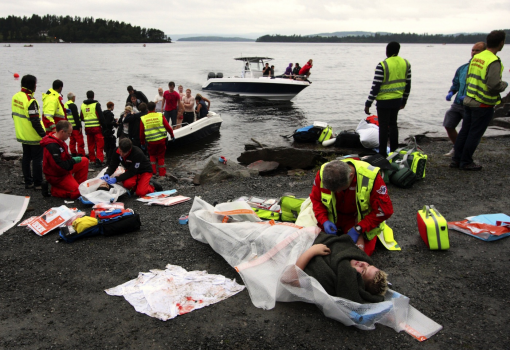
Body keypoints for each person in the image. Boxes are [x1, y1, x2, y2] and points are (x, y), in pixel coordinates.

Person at [309, 160, 394, 256]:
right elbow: (316, 200)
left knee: (360, 255)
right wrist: (324, 220)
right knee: (311, 245)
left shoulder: (371, 178)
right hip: (331, 215)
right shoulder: (324, 174)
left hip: (357, 218)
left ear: (350, 176)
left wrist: (359, 228)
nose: (337, 192)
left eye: (340, 189)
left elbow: (384, 211)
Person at [452, 30, 508, 171]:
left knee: (465, 131)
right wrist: (505, 85)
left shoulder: (477, 57)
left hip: (469, 100)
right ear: (501, 43)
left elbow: (469, 77)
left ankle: (456, 160)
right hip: (483, 103)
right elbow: (493, 84)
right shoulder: (493, 60)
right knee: (474, 134)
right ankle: (466, 161)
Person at [292, 233, 388, 302]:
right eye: (369, 265)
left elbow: (290, 279)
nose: (363, 264)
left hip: (289, 248)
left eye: (363, 271)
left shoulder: (328, 280)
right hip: (300, 233)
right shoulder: (353, 255)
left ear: (356, 281)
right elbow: (360, 246)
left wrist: (312, 251)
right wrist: (359, 230)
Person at [364, 42, 411, 157]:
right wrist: (404, 100)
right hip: (397, 99)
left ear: (387, 51)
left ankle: (382, 153)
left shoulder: (383, 65)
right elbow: (408, 83)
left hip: (383, 102)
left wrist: (368, 103)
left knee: (383, 127)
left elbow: (376, 86)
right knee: (393, 125)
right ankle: (394, 151)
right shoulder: (406, 63)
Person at [443, 42, 487, 157]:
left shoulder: (484, 68)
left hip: (472, 104)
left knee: (467, 130)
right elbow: (456, 83)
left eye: (477, 50)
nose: (474, 52)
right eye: (473, 50)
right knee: (449, 124)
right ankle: (457, 147)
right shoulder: (463, 68)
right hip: (458, 103)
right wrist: (451, 92)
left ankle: (464, 153)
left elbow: (484, 87)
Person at [12, 74, 46, 190]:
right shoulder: (30, 100)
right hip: (33, 136)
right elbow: (35, 120)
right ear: (32, 86)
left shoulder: (16, 97)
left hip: (22, 134)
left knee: (26, 158)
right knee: (37, 159)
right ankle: (37, 183)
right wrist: (44, 135)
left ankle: (28, 182)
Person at [40, 121, 89, 199]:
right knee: (76, 193)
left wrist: (72, 160)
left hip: (64, 170)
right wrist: (73, 161)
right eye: (69, 133)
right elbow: (59, 167)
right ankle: (55, 191)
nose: (69, 136)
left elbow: (63, 159)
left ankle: (79, 186)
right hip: (57, 175)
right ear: (62, 132)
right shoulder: (52, 146)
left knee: (84, 160)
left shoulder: (59, 141)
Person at [140, 102, 175, 177]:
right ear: (154, 108)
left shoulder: (143, 118)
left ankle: (153, 172)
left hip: (151, 142)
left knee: (152, 156)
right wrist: (172, 135)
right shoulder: (160, 115)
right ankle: (162, 173)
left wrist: (142, 143)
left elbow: (141, 133)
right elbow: (168, 127)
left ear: (147, 108)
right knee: (161, 156)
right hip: (161, 140)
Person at [80, 90, 106, 167]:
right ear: (93, 96)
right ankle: (99, 159)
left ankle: (92, 159)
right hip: (96, 127)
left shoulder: (82, 105)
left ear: (87, 96)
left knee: (90, 144)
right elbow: (101, 116)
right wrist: (104, 126)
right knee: (99, 144)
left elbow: (81, 117)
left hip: (88, 128)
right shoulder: (96, 104)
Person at [64, 92, 86, 157]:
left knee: (72, 140)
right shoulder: (72, 105)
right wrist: (79, 126)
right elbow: (76, 116)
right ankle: (80, 154)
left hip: (69, 126)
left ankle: (73, 153)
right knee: (80, 141)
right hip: (75, 126)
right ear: (73, 98)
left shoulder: (65, 105)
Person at [103, 101, 117, 166]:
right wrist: (115, 123)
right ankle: (110, 160)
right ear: (111, 106)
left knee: (107, 146)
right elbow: (108, 123)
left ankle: (108, 159)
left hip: (104, 132)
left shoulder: (104, 113)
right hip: (109, 132)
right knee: (112, 146)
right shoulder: (110, 114)